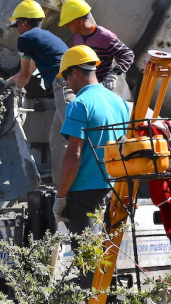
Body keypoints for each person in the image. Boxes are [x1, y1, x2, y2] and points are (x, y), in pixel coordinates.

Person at [53, 45, 130, 281]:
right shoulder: (119, 103)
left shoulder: (79, 104)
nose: (66, 83)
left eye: (66, 76)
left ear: (75, 72)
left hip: (84, 193)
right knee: (105, 257)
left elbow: (73, 155)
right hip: (113, 189)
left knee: (88, 263)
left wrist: (61, 196)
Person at [7, 0, 74, 186]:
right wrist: (15, 80)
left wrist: (9, 89)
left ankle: (77, 185)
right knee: (57, 139)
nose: (16, 29)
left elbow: (24, 76)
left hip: (64, 86)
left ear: (24, 23)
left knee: (75, 135)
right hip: (69, 84)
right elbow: (29, 70)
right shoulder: (45, 37)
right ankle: (62, 186)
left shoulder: (25, 39)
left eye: (16, 25)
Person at [58, 0, 134, 97]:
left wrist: (114, 73)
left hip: (102, 87)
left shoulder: (104, 36)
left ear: (79, 22)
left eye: (68, 24)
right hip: (85, 88)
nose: (67, 27)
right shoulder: (77, 37)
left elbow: (128, 54)